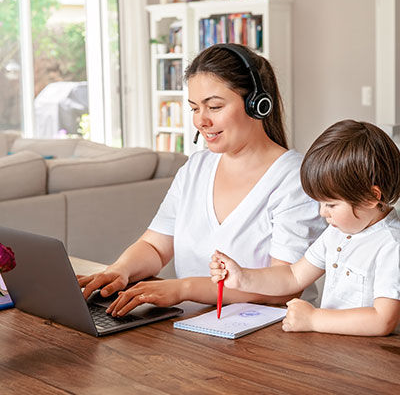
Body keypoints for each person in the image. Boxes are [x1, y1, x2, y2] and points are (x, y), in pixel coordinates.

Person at [78, 43, 325, 317]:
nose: (201, 121)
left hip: (270, 335)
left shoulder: (295, 178)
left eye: (214, 106)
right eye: (194, 108)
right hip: (195, 327)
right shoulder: (195, 167)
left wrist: (184, 289)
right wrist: (120, 270)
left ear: (257, 105)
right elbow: (155, 246)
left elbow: (286, 286)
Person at [210, 120, 400, 336]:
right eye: (320, 203)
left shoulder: (391, 245)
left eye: (331, 204)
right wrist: (243, 278)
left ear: (370, 198)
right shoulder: (337, 233)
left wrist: (313, 319)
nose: (322, 213)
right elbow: (293, 275)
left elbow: (383, 319)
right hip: (334, 354)